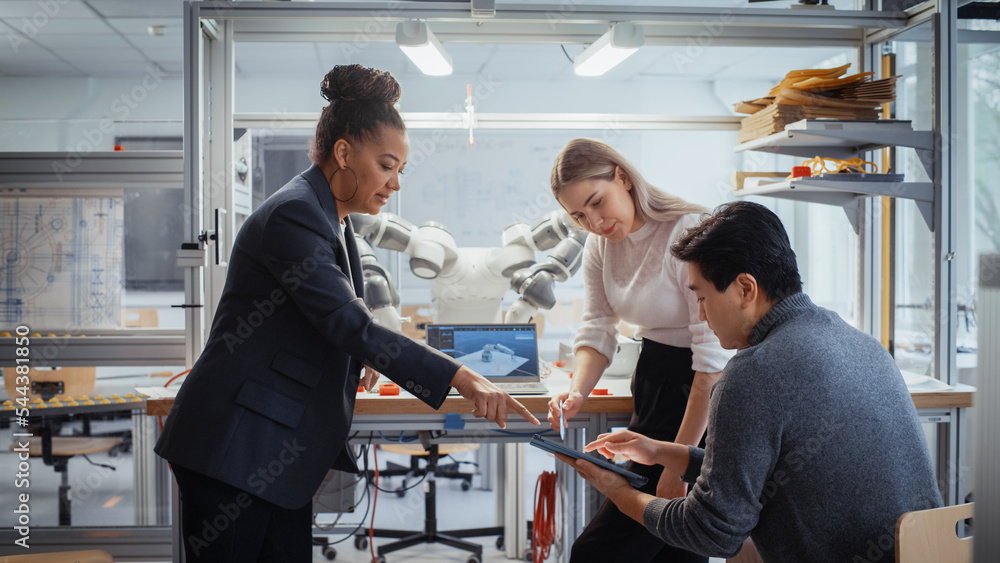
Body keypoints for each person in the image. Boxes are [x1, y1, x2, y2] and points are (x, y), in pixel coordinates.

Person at [155, 64, 538, 562]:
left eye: (401, 169)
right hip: (237, 445)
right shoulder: (294, 215)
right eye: (386, 165)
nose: (395, 183)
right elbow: (350, 322)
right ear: (343, 152)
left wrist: (357, 360)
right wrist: (462, 376)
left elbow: (328, 323)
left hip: (268, 447)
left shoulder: (333, 221)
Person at [559, 201, 943, 562]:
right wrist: (661, 452)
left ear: (745, 289)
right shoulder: (857, 342)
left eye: (703, 297)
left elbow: (712, 531)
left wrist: (618, 492)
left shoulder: (752, 373)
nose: (701, 314)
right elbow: (749, 468)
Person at [547, 138, 733, 563]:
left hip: (700, 395)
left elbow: (711, 364)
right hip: (653, 379)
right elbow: (597, 326)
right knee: (674, 549)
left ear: (624, 178)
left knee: (596, 552)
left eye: (597, 203)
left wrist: (678, 465)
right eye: (579, 215)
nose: (594, 222)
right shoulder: (600, 246)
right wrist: (578, 391)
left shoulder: (688, 229)